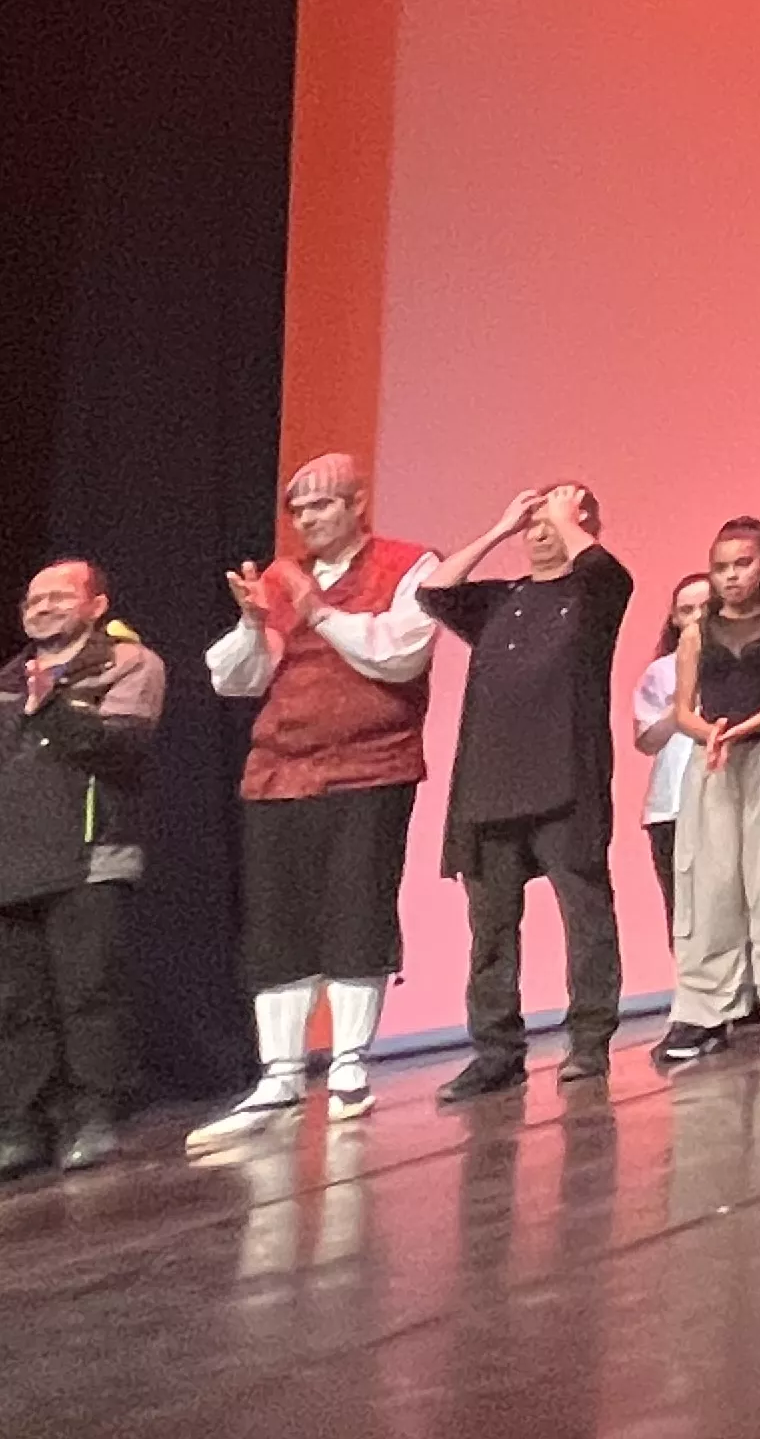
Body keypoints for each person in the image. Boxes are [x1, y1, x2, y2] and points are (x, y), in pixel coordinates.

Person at [190, 450, 436, 1147]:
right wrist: (249, 622)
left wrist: (316, 610)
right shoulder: (278, 578)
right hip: (280, 768)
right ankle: (281, 1074)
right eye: (297, 510)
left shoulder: (408, 563)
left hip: (369, 765)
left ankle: (353, 1061)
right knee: (279, 924)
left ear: (357, 504)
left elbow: (401, 653)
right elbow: (237, 680)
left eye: (321, 505)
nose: (307, 520)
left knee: (357, 907)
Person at [427, 484, 634, 1104]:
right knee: (490, 926)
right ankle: (496, 1051)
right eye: (534, 522)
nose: (541, 530)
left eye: (554, 522)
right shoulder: (503, 599)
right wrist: (499, 529)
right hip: (488, 784)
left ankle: (590, 1042)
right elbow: (435, 592)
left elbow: (602, 567)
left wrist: (571, 520)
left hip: (564, 776)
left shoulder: (594, 593)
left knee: (585, 914)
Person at [0, 562, 161, 1178]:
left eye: (58, 597)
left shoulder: (127, 663)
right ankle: (22, 1125)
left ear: (96, 605)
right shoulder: (10, 678)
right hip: (15, 862)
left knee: (88, 991)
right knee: (17, 1002)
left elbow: (121, 747)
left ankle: (94, 1117)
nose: (41, 607)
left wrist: (51, 711)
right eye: (32, 598)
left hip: (91, 856)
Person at [655, 519, 760, 1069]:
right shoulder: (699, 630)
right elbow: (682, 708)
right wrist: (710, 734)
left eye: (741, 565)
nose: (730, 576)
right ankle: (704, 1007)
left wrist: (741, 730)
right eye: (720, 567)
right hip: (715, 758)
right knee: (710, 881)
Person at [629, 575, 710, 950]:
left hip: (723, 796)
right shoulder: (660, 671)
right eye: (686, 610)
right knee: (682, 910)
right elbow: (645, 740)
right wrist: (679, 707)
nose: (696, 616)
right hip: (671, 807)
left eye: (705, 607)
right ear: (674, 619)